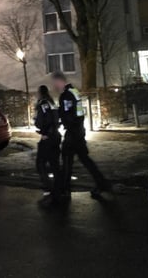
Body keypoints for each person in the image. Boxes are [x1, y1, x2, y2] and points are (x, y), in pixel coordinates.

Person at [51, 72, 110, 200]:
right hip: (78, 131)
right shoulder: (74, 91)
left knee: (67, 160)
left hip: (72, 133)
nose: (54, 86)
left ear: (60, 81)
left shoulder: (66, 95)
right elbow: (75, 112)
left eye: (55, 83)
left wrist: (60, 120)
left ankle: (65, 190)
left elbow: (68, 114)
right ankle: (102, 183)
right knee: (85, 159)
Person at [33, 84, 62, 206]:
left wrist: (43, 131)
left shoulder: (42, 104)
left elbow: (41, 121)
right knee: (54, 165)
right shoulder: (51, 102)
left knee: (40, 164)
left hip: (47, 138)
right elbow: (56, 118)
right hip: (55, 136)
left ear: (40, 93)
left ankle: (49, 191)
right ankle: (59, 191)